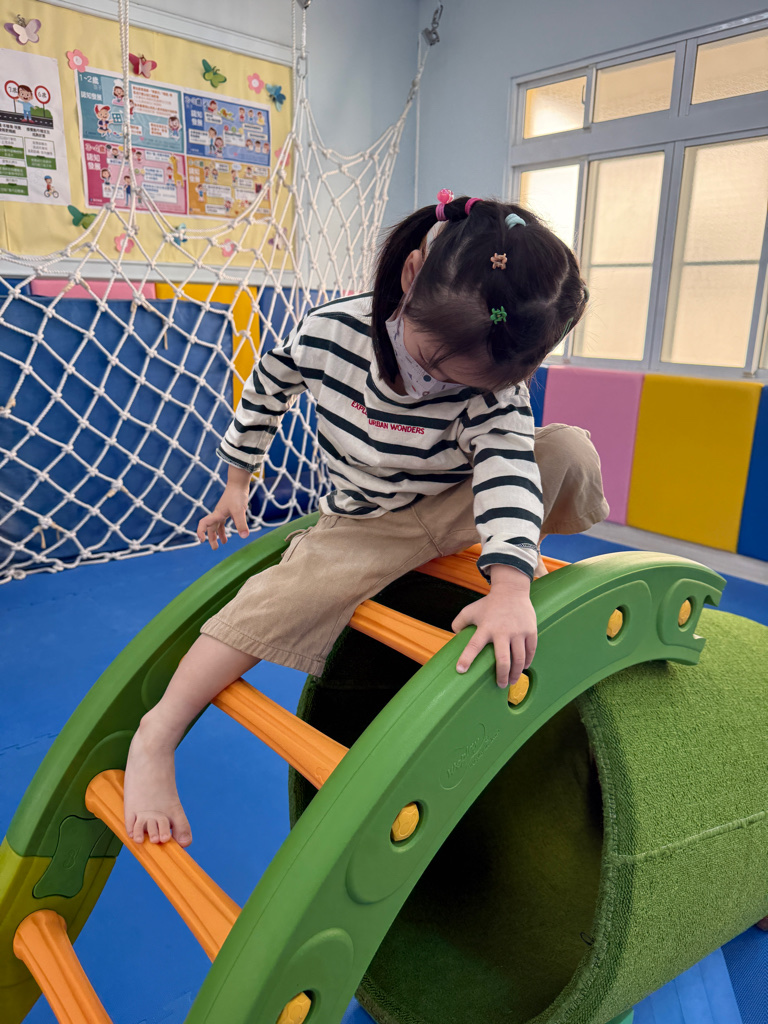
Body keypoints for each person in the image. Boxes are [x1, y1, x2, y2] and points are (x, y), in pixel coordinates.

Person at [123, 194, 608, 847]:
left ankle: (512, 558)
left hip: (459, 503)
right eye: (433, 366)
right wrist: (238, 479)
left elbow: (506, 470)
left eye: (471, 384)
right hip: (368, 523)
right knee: (269, 601)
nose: (442, 387)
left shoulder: (496, 387)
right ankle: (157, 734)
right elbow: (268, 385)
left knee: (565, 449)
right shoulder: (333, 333)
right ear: (410, 277)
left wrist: (512, 586)